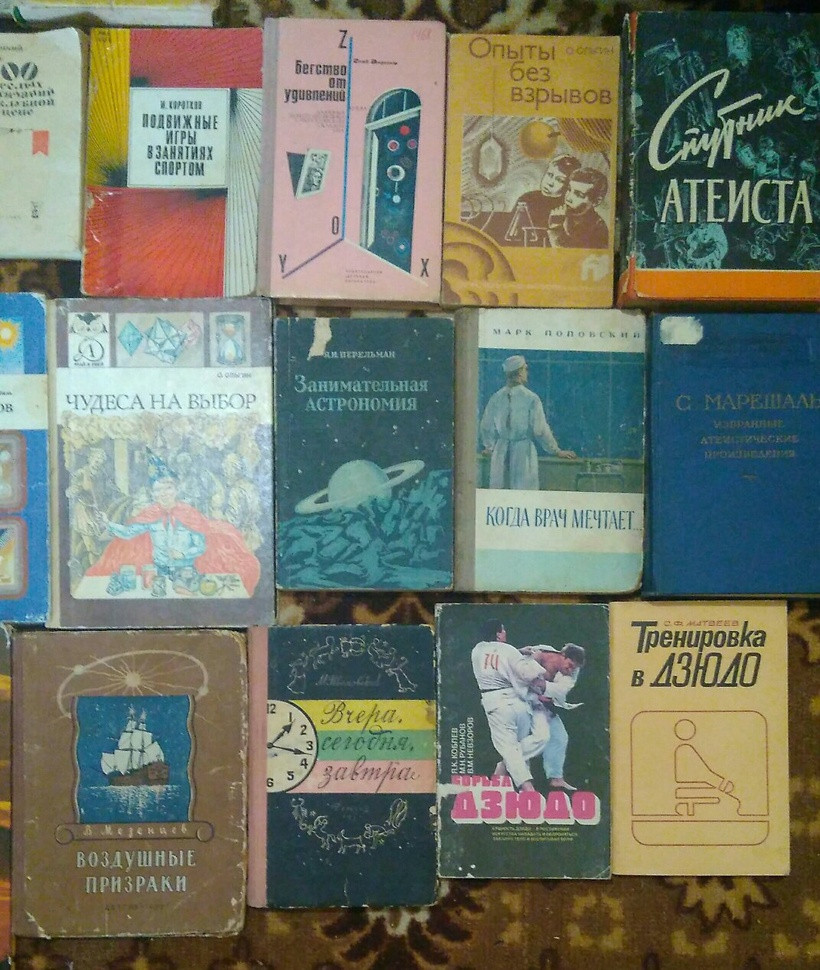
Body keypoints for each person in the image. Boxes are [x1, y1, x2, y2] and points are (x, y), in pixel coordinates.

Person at [86, 453, 260, 596]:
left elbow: (201, 546)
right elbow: (128, 532)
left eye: (168, 488)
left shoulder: (189, 514)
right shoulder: (150, 515)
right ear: (153, 494)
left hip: (187, 574)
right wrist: (107, 524)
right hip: (159, 574)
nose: (163, 493)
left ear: (176, 490)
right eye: (158, 490)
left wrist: (182, 553)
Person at [471, 617, 551, 792]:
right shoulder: (509, 650)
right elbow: (528, 674)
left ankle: (524, 785)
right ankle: (523, 788)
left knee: (510, 750)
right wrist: (533, 658)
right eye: (503, 630)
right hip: (518, 701)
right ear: (498, 634)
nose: (505, 632)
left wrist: (519, 651)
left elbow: (494, 656)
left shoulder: (476, 650)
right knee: (518, 748)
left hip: (495, 702)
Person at [479, 355, 576, 490]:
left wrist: (489, 446)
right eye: (525, 369)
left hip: (500, 452)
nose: (527, 373)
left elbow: (486, 426)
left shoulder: (496, 397)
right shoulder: (531, 398)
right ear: (519, 373)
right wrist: (556, 450)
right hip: (523, 453)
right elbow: (540, 430)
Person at [524, 643, 586, 792]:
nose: (570, 670)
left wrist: (540, 686)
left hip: (545, 704)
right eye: (570, 665)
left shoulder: (573, 671)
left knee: (560, 737)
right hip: (523, 700)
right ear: (563, 655)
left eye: (574, 668)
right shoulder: (541, 652)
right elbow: (520, 671)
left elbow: (560, 690)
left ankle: (556, 778)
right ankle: (511, 762)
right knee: (539, 737)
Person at [508, 154, 581, 245]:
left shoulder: (568, 207)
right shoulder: (526, 199)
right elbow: (510, 232)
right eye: (550, 174)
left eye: (559, 180)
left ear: (568, 185)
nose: (550, 183)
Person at [547, 167, 609, 249]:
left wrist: (556, 229)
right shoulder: (560, 214)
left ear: (596, 201)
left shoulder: (598, 230)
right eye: (569, 190)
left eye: (579, 194)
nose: (568, 198)